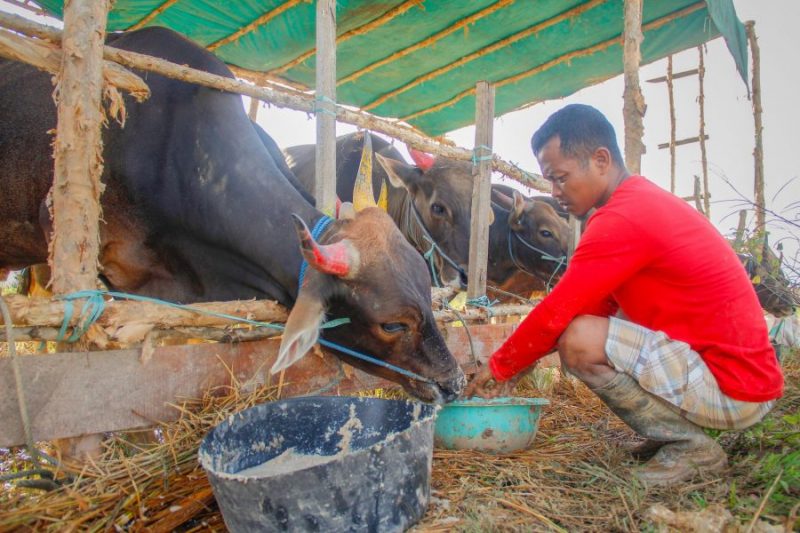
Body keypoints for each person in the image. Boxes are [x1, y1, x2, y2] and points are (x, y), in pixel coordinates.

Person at [466, 104, 784, 486]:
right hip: (743, 381)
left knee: (581, 341)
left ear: (601, 160)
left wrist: (501, 366)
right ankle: (672, 436)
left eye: (560, 177)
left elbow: (559, 311)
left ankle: (690, 446)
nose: (554, 192)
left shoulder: (622, 217)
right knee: (589, 325)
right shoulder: (637, 203)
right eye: (550, 180)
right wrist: (527, 361)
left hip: (734, 388)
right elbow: (590, 305)